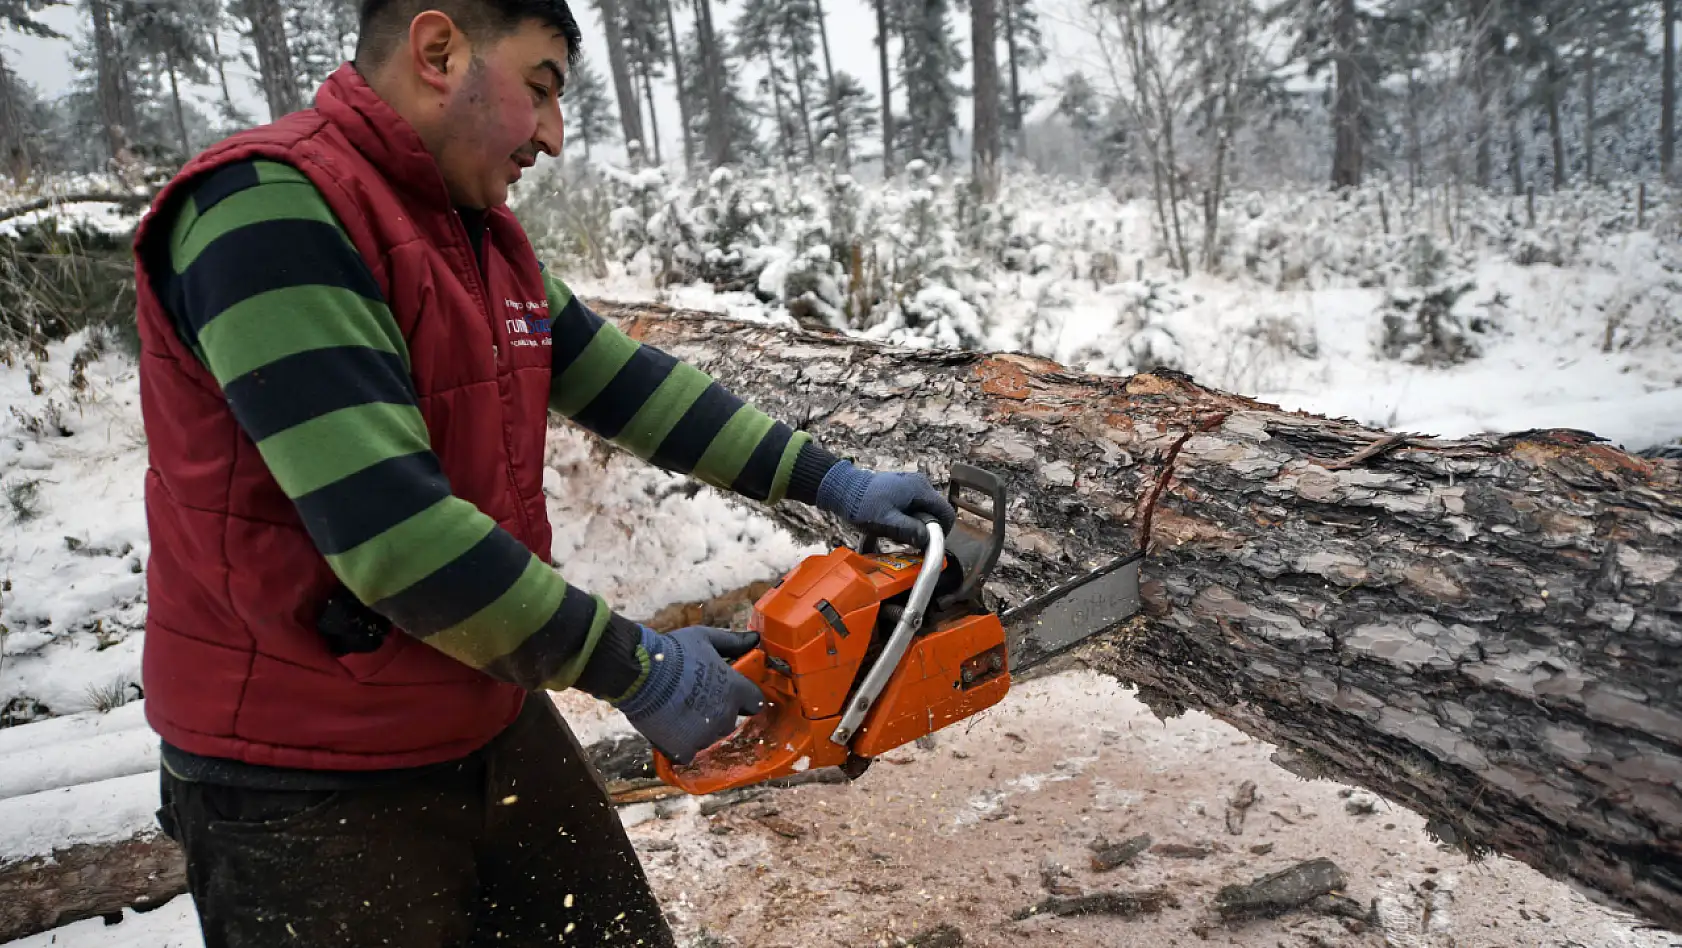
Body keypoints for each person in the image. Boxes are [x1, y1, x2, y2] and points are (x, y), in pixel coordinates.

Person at [130, 1, 956, 945]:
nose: (555, 138)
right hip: (302, 777)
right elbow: (396, 542)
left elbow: (638, 390)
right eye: (541, 88)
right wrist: (637, 668)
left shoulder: (476, 237)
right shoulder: (265, 214)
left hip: (478, 709)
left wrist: (828, 481)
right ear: (439, 50)